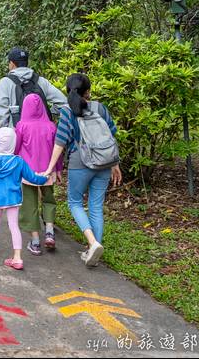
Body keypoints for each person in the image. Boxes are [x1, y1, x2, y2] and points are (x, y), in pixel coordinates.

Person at [42, 73, 122, 268]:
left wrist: (49, 169)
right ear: (88, 91)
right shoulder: (100, 108)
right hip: (103, 163)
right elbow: (111, 135)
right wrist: (115, 164)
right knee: (96, 206)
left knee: (75, 203)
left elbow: (60, 143)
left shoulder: (68, 112)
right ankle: (93, 250)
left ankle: (93, 243)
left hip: (80, 163)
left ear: (68, 91)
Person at [0, 127, 51, 270]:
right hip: (13, 199)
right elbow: (32, 178)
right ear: (13, 142)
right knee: (14, 226)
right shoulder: (18, 161)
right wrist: (44, 178)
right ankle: (17, 258)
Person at [15, 93, 61, 255]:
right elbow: (59, 150)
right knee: (49, 200)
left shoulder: (21, 126)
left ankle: (35, 242)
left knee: (30, 205)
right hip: (48, 171)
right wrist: (59, 169)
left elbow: (15, 148)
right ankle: (49, 232)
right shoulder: (51, 126)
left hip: (27, 173)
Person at [0, 47, 68, 127]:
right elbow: (63, 102)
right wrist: (47, 112)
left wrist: (7, 129)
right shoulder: (40, 81)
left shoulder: (5, 82)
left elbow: (1, 111)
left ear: (12, 63)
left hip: (16, 134)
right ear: (27, 62)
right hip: (42, 133)